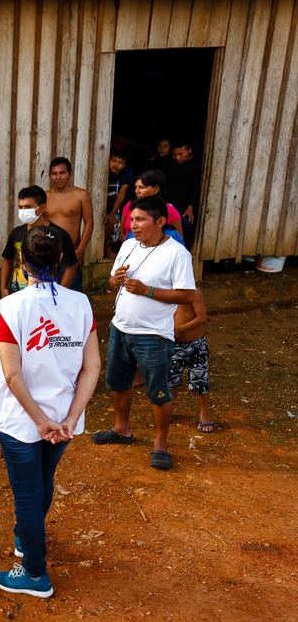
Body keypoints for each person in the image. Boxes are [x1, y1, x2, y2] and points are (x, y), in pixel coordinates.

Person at [0, 226, 100, 598]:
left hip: (23, 422)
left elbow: (12, 375)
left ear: (22, 263)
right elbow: (92, 367)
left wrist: (40, 421)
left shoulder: (9, 308)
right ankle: (26, 537)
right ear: (61, 261)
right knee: (42, 482)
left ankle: (35, 574)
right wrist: (68, 419)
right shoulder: (81, 304)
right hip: (63, 418)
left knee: (28, 496)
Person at [92, 195, 196, 470]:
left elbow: (187, 295)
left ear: (160, 221)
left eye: (140, 220)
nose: (133, 225)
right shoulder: (128, 245)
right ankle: (121, 429)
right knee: (118, 382)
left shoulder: (177, 253)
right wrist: (116, 279)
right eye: (131, 219)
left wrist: (148, 290)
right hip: (120, 327)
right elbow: (112, 281)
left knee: (158, 391)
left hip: (153, 334)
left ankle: (160, 444)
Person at [0, 185, 77, 296]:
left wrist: (60, 293)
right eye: (20, 207)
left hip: (48, 296)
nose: (23, 211)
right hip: (18, 295)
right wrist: (3, 287)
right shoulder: (16, 233)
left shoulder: (59, 235)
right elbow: (8, 260)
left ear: (42, 208)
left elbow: (71, 266)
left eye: (28, 207)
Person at [45, 157, 93, 291]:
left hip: (71, 251)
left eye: (62, 173)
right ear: (49, 176)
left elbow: (89, 222)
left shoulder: (81, 195)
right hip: (49, 253)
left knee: (71, 295)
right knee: (47, 295)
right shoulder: (45, 196)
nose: (58, 177)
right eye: (54, 174)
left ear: (70, 174)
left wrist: (81, 249)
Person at [171, 286, 213, 432]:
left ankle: (204, 415)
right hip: (173, 345)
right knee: (170, 381)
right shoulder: (165, 291)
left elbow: (201, 317)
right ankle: (167, 409)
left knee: (200, 381)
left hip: (196, 345)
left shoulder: (194, 292)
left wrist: (181, 329)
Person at [119, 170, 184, 245]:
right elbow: (122, 231)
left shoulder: (169, 210)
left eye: (142, 187)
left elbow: (178, 240)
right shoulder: (130, 205)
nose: (137, 191)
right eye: (136, 187)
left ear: (156, 189)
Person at [160, 140, 201, 247]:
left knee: (185, 224)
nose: (177, 158)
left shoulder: (195, 165)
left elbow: (195, 186)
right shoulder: (167, 163)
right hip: (167, 202)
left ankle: (181, 248)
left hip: (184, 205)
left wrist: (190, 206)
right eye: (174, 154)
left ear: (189, 151)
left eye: (180, 154)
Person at [104, 151, 134, 258]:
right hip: (100, 205)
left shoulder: (126, 174)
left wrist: (112, 213)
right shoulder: (102, 170)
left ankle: (108, 250)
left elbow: (122, 194)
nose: (116, 164)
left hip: (115, 207)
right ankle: (104, 251)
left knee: (111, 223)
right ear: (108, 161)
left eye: (120, 162)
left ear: (124, 166)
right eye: (114, 161)